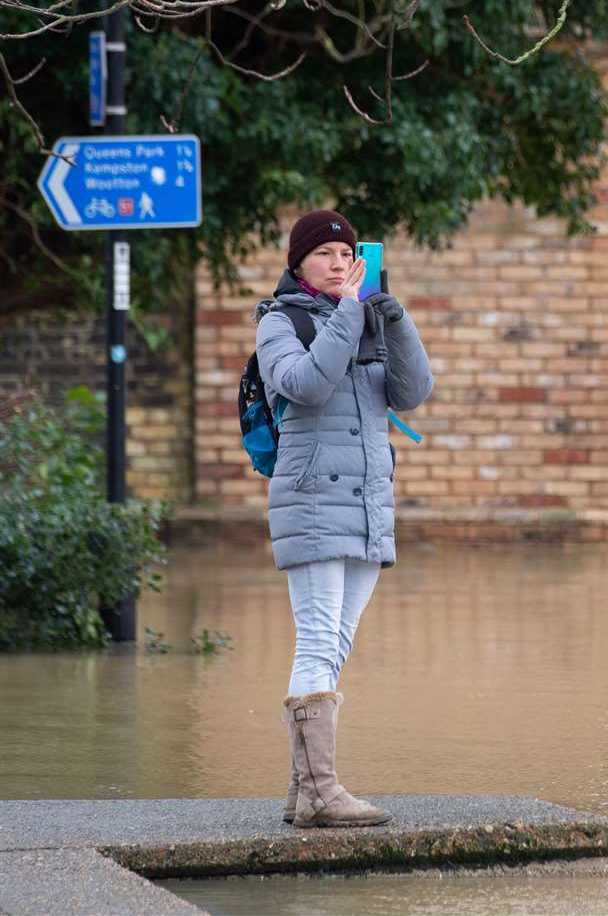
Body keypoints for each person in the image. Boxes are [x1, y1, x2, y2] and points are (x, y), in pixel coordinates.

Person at [253, 209, 434, 828]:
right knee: (317, 638)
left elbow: (412, 394)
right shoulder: (281, 322)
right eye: (325, 254)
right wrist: (349, 313)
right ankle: (323, 792)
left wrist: (394, 318)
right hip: (310, 498)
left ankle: (306, 794)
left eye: (346, 254)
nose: (338, 263)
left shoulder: (368, 320)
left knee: (337, 645)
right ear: (298, 262)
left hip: (367, 504)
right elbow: (304, 385)